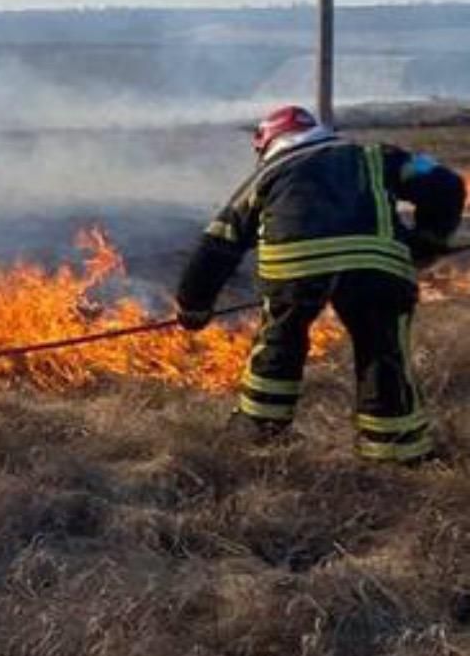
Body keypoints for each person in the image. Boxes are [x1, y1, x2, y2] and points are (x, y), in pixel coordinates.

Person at [175, 105, 465, 463]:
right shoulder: (375, 155)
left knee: (279, 343)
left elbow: (219, 243)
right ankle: (397, 452)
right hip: (375, 265)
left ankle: (257, 435)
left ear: (267, 143)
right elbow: (446, 184)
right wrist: (427, 240)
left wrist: (194, 306)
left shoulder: (267, 174)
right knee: (383, 351)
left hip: (295, 269)